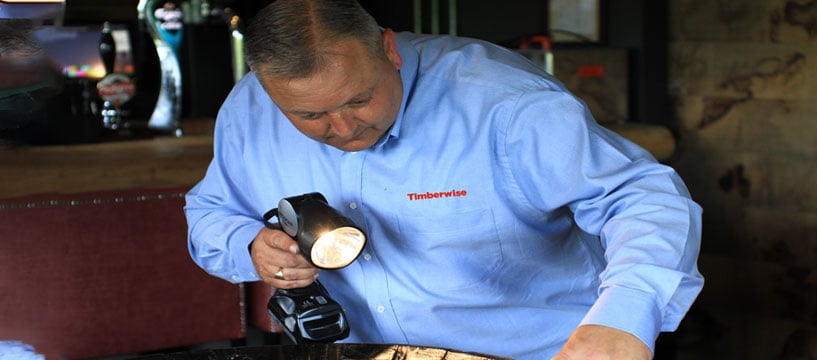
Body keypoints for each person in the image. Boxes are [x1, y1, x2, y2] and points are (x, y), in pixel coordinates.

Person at [184, 0, 704, 358]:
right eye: (308, 116)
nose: (342, 129)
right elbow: (209, 214)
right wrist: (249, 243)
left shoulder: (503, 104)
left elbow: (642, 198)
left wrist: (625, 316)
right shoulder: (250, 109)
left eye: (359, 99)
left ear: (389, 49)